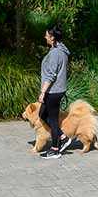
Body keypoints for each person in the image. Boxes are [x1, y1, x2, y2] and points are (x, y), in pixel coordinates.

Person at [36, 26, 69, 157]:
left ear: (52, 38)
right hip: (55, 90)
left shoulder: (56, 53)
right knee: (43, 114)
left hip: (53, 91)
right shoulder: (59, 49)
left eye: (46, 35)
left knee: (53, 120)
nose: (45, 37)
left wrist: (43, 92)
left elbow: (51, 75)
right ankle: (63, 138)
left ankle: (55, 150)